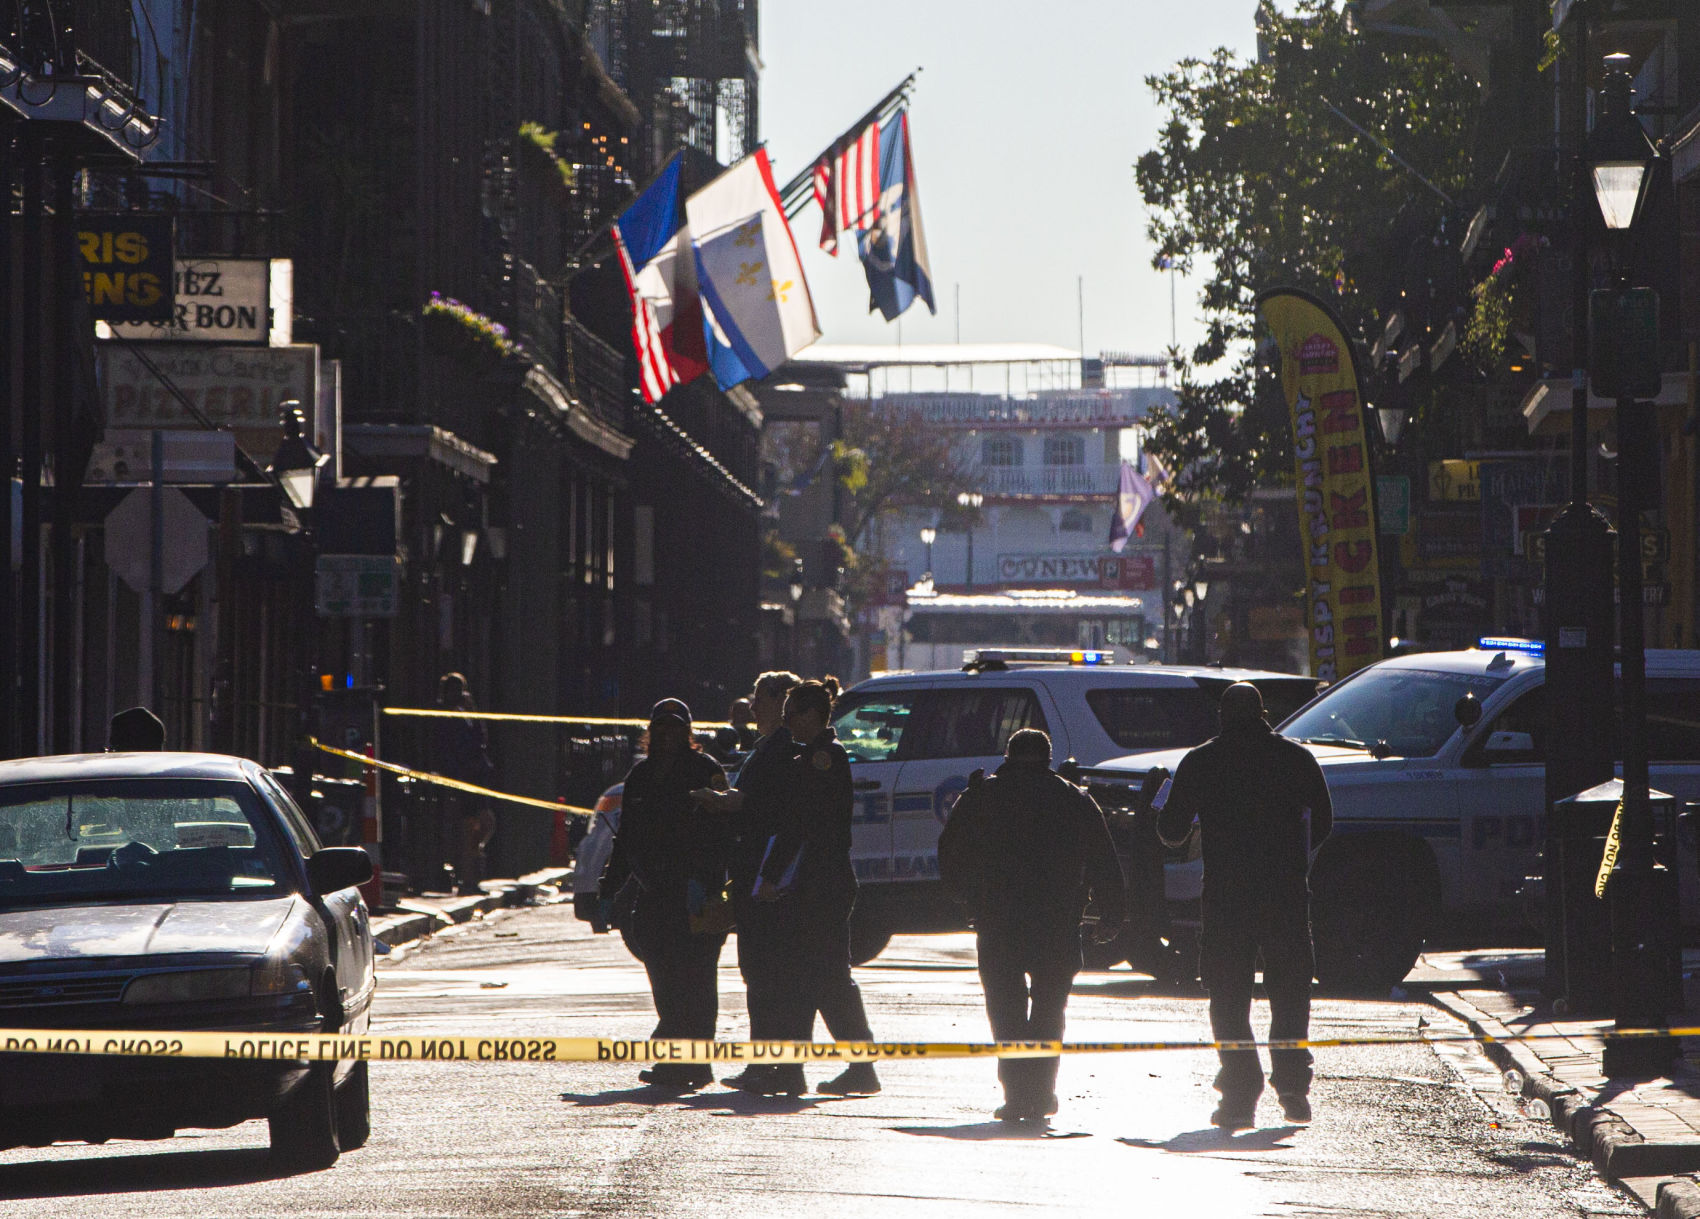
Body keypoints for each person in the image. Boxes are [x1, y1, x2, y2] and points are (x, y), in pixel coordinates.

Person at [1156, 681, 1333, 1129]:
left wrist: (1155, 806)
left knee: (1228, 995)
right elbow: (1325, 822)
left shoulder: (1201, 761)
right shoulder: (1296, 758)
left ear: (1221, 715)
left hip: (1226, 897)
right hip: (1285, 894)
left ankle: (1239, 1088)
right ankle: (1292, 1082)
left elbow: (1172, 832)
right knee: (1290, 992)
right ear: (1263, 712)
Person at [938, 728, 1126, 1124]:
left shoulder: (981, 796)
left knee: (1005, 1011)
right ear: (1048, 757)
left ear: (1008, 755)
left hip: (998, 922)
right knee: (1048, 1010)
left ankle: (1016, 1094)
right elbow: (1105, 861)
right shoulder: (1073, 798)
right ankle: (1040, 1093)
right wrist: (1110, 914)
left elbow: (950, 853)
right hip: (1056, 922)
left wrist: (967, 901)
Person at [746, 678, 881, 1097]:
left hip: (818, 885)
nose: (787, 725)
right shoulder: (815, 756)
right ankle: (796, 1069)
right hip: (817, 882)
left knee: (827, 980)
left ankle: (855, 1067)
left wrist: (770, 875)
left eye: (791, 717)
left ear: (810, 716)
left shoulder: (821, 759)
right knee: (807, 978)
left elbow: (798, 828)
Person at [602, 699, 730, 1090]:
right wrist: (608, 889)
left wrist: (708, 884)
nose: (669, 735)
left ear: (688, 732)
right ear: (652, 732)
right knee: (665, 979)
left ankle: (697, 1063)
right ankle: (676, 1058)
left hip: (694, 893)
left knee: (697, 980)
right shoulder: (639, 777)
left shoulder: (707, 771)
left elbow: (721, 834)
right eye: (662, 728)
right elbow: (627, 838)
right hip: (654, 894)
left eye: (677, 728)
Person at [691, 670, 803, 1093]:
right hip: (755, 870)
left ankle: (771, 1065)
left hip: (765, 874)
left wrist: (733, 803)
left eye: (760, 698)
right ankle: (778, 1066)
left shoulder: (783, 751)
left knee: (766, 973)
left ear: (780, 701)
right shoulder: (768, 749)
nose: (753, 707)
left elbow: (778, 812)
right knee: (764, 973)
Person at [432, 672, 498, 895]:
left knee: (484, 823)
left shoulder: (466, 713)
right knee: (469, 826)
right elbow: (450, 747)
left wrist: (474, 713)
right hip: (463, 777)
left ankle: (472, 859)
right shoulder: (446, 715)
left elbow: (481, 739)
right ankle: (468, 876)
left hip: (476, 776)